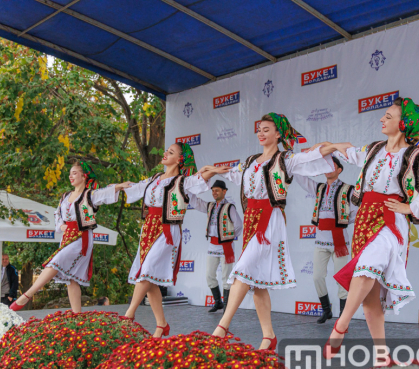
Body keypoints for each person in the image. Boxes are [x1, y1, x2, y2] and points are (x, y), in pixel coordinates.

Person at [325, 97, 419, 359]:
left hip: (391, 222)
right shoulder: (374, 149)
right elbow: (349, 151)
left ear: (404, 123)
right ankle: (382, 355)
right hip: (365, 219)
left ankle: (340, 326)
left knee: (368, 266)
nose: (382, 119)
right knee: (371, 295)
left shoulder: (415, 156)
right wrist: (331, 146)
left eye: (389, 116)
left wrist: (410, 207)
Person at [210, 113, 342, 350]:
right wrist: (212, 170)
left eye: (266, 129)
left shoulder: (286, 159)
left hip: (270, 219)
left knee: (242, 270)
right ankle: (268, 336)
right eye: (259, 129)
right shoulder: (251, 160)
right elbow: (234, 173)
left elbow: (310, 157)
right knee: (258, 282)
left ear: (278, 134)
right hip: (252, 220)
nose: (261, 133)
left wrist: (333, 146)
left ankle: (222, 328)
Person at [122, 142, 228, 337]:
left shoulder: (182, 182)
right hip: (148, 230)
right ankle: (161, 324)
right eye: (166, 151)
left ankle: (129, 315)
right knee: (151, 280)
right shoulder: (154, 179)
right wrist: (115, 188)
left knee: (146, 272)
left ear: (180, 159)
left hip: (167, 231)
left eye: (170, 152)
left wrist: (212, 171)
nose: (165, 154)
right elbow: (135, 188)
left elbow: (199, 179)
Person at [10, 162, 131, 312]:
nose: (70, 176)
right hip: (67, 237)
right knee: (71, 279)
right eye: (70, 174)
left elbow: (105, 193)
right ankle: (77, 314)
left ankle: (27, 295)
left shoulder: (89, 195)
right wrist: (61, 225)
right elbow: (57, 213)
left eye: (74, 173)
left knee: (56, 261)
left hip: (81, 237)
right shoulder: (65, 196)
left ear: (84, 176)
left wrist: (121, 186)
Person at [295, 156, 358, 323]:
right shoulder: (319, 188)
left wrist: (343, 221)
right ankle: (326, 310)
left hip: (340, 241)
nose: (328, 168)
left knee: (341, 279)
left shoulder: (348, 189)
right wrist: (295, 164)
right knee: (317, 276)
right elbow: (302, 180)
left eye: (332, 166)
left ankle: (343, 317)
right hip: (321, 241)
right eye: (326, 166)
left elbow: (356, 210)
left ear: (339, 170)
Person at [189, 179, 243, 313]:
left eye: (217, 190)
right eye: (213, 190)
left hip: (225, 246)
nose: (214, 193)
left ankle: (227, 306)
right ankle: (218, 302)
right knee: (209, 275)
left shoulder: (229, 207)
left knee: (226, 277)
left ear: (224, 191)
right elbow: (196, 203)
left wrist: (228, 237)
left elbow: (238, 225)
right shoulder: (210, 206)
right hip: (212, 245)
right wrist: (187, 191)